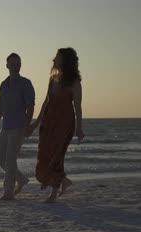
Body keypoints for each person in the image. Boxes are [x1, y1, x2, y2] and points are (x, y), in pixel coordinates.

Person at [25, 47, 85, 203]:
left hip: (65, 123)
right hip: (48, 122)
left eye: (57, 57)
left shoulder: (74, 82)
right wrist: (35, 124)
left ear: (65, 60)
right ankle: (64, 181)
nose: (53, 60)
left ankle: (53, 193)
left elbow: (78, 106)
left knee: (57, 156)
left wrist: (79, 128)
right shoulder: (53, 79)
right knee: (45, 155)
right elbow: (46, 103)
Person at [0, 53, 35, 200]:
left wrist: (28, 126)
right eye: (13, 64)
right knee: (1, 160)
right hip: (6, 127)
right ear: (7, 65)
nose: (16, 67)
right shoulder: (3, 84)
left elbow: (30, 106)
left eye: (18, 64)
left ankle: (8, 193)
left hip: (19, 127)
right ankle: (21, 179)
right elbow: (0, 107)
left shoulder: (25, 83)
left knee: (10, 161)